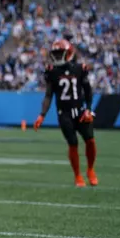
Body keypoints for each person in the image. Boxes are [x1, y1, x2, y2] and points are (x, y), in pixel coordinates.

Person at [34, 39, 97, 187]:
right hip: (64, 113)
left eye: (60, 53)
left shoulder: (80, 68)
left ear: (69, 53)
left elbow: (88, 91)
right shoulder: (52, 72)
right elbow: (48, 95)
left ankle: (90, 169)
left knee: (91, 141)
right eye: (55, 53)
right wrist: (42, 114)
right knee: (73, 144)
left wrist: (88, 109)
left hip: (81, 111)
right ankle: (78, 176)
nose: (56, 56)